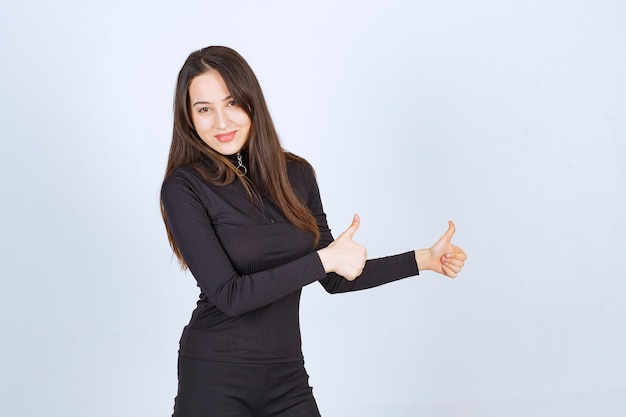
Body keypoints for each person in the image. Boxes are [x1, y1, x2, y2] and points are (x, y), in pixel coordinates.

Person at [160, 45, 467, 417]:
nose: (222, 122)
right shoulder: (185, 187)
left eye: (231, 103)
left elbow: (335, 276)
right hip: (214, 376)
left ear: (251, 103)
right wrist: (325, 259)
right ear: (188, 117)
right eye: (204, 109)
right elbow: (230, 295)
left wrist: (424, 260)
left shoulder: (296, 175)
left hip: (286, 376)